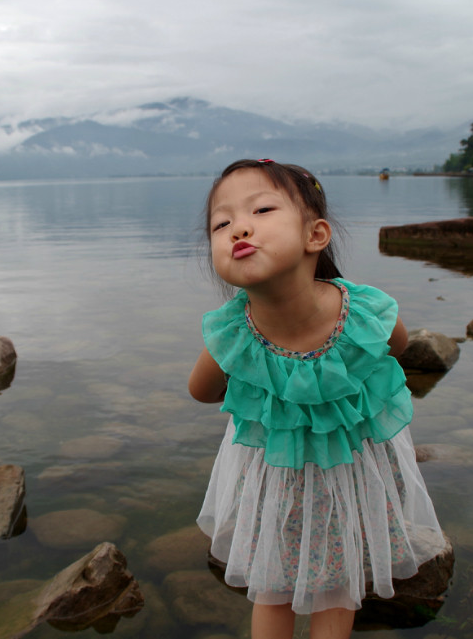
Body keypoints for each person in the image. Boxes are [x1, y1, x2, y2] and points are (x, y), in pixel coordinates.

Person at [188, 159, 444, 639]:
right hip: (276, 482)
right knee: (276, 589)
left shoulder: (359, 309)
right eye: (221, 224)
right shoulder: (233, 332)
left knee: (324, 585)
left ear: (316, 235)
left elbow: (204, 392)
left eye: (262, 209)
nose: (238, 227)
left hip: (347, 475)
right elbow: (397, 346)